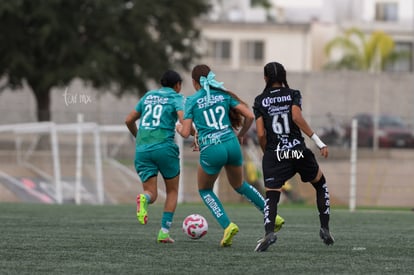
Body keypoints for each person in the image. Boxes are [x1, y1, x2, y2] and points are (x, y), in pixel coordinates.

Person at [176, 64, 284, 247]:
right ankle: (273, 215)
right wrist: (241, 135)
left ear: (195, 82)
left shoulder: (192, 100)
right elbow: (249, 115)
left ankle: (228, 226)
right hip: (232, 144)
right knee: (240, 184)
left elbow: (186, 133)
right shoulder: (223, 94)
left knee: (205, 190)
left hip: (212, 148)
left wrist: (179, 128)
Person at [253, 61, 334, 252]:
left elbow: (261, 134)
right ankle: (325, 227)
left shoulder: (259, 100)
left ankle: (269, 233)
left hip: (275, 153)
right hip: (297, 150)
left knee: (272, 195)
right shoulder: (293, 94)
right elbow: (297, 117)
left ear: (265, 78)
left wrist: (269, 154)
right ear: (284, 76)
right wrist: (319, 142)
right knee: (320, 183)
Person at [125, 70, 184, 243]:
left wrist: (138, 138)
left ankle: (144, 198)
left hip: (143, 149)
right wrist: (194, 133)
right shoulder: (176, 97)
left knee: (151, 193)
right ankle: (164, 232)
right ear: (177, 85)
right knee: (172, 191)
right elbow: (183, 119)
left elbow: (128, 120)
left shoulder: (148, 96)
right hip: (164, 147)